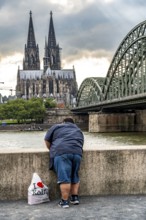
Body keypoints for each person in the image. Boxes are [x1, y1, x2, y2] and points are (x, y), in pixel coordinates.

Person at [44, 117, 84, 208]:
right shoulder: (78, 129)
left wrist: (52, 150)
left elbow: (46, 140)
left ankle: (64, 202)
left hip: (61, 152)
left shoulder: (56, 127)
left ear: (63, 122)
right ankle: (74, 198)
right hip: (77, 152)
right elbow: (81, 142)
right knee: (75, 175)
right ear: (73, 123)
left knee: (64, 177)